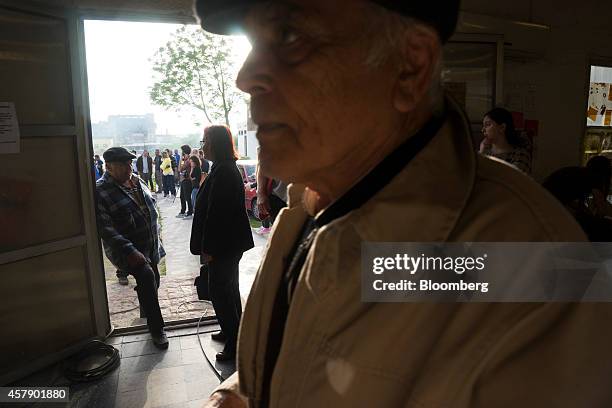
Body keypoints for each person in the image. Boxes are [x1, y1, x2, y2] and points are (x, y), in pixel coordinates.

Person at [195, 1, 612, 407]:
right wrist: (236, 394)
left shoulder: (531, 263)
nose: (246, 76)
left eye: (289, 35)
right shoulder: (314, 205)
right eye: (253, 44)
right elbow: (312, 349)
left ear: (409, 68)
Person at [190, 125, 254, 362]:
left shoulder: (225, 171)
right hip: (227, 244)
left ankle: (235, 344)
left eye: (206, 140)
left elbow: (217, 215)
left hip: (222, 245)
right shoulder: (221, 167)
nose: (202, 145)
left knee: (221, 292)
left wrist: (208, 249)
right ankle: (232, 331)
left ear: (217, 143)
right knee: (229, 289)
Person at [95, 147, 168, 348]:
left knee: (153, 280)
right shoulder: (101, 190)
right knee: (146, 276)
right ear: (108, 166)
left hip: (150, 245)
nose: (129, 167)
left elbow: (149, 208)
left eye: (130, 163)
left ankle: (146, 310)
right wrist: (130, 250)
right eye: (123, 164)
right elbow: (106, 229)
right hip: (128, 251)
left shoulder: (136, 180)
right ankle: (157, 329)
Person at [480, 107, 532, 174]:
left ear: (502, 127)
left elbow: (511, 181)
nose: (483, 130)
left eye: (488, 124)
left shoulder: (519, 155)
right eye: (483, 126)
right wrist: (481, 153)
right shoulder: (485, 152)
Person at [178, 144, 194, 217]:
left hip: (187, 180)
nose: (182, 153)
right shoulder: (186, 159)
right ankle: (183, 210)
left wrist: (181, 160)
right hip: (183, 180)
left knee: (187, 197)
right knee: (182, 196)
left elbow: (180, 169)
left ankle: (190, 211)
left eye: (182, 151)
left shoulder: (188, 160)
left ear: (184, 152)